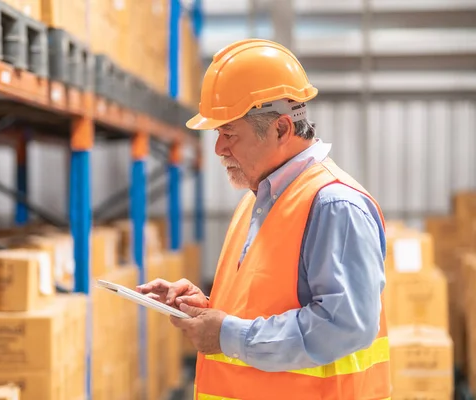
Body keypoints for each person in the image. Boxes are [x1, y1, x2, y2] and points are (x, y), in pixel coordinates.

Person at [136, 39, 391, 399]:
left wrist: (227, 335)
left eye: (229, 134)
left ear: (282, 129)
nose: (219, 149)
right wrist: (206, 308)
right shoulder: (257, 201)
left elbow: (346, 325)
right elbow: (266, 305)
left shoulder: (334, 206)